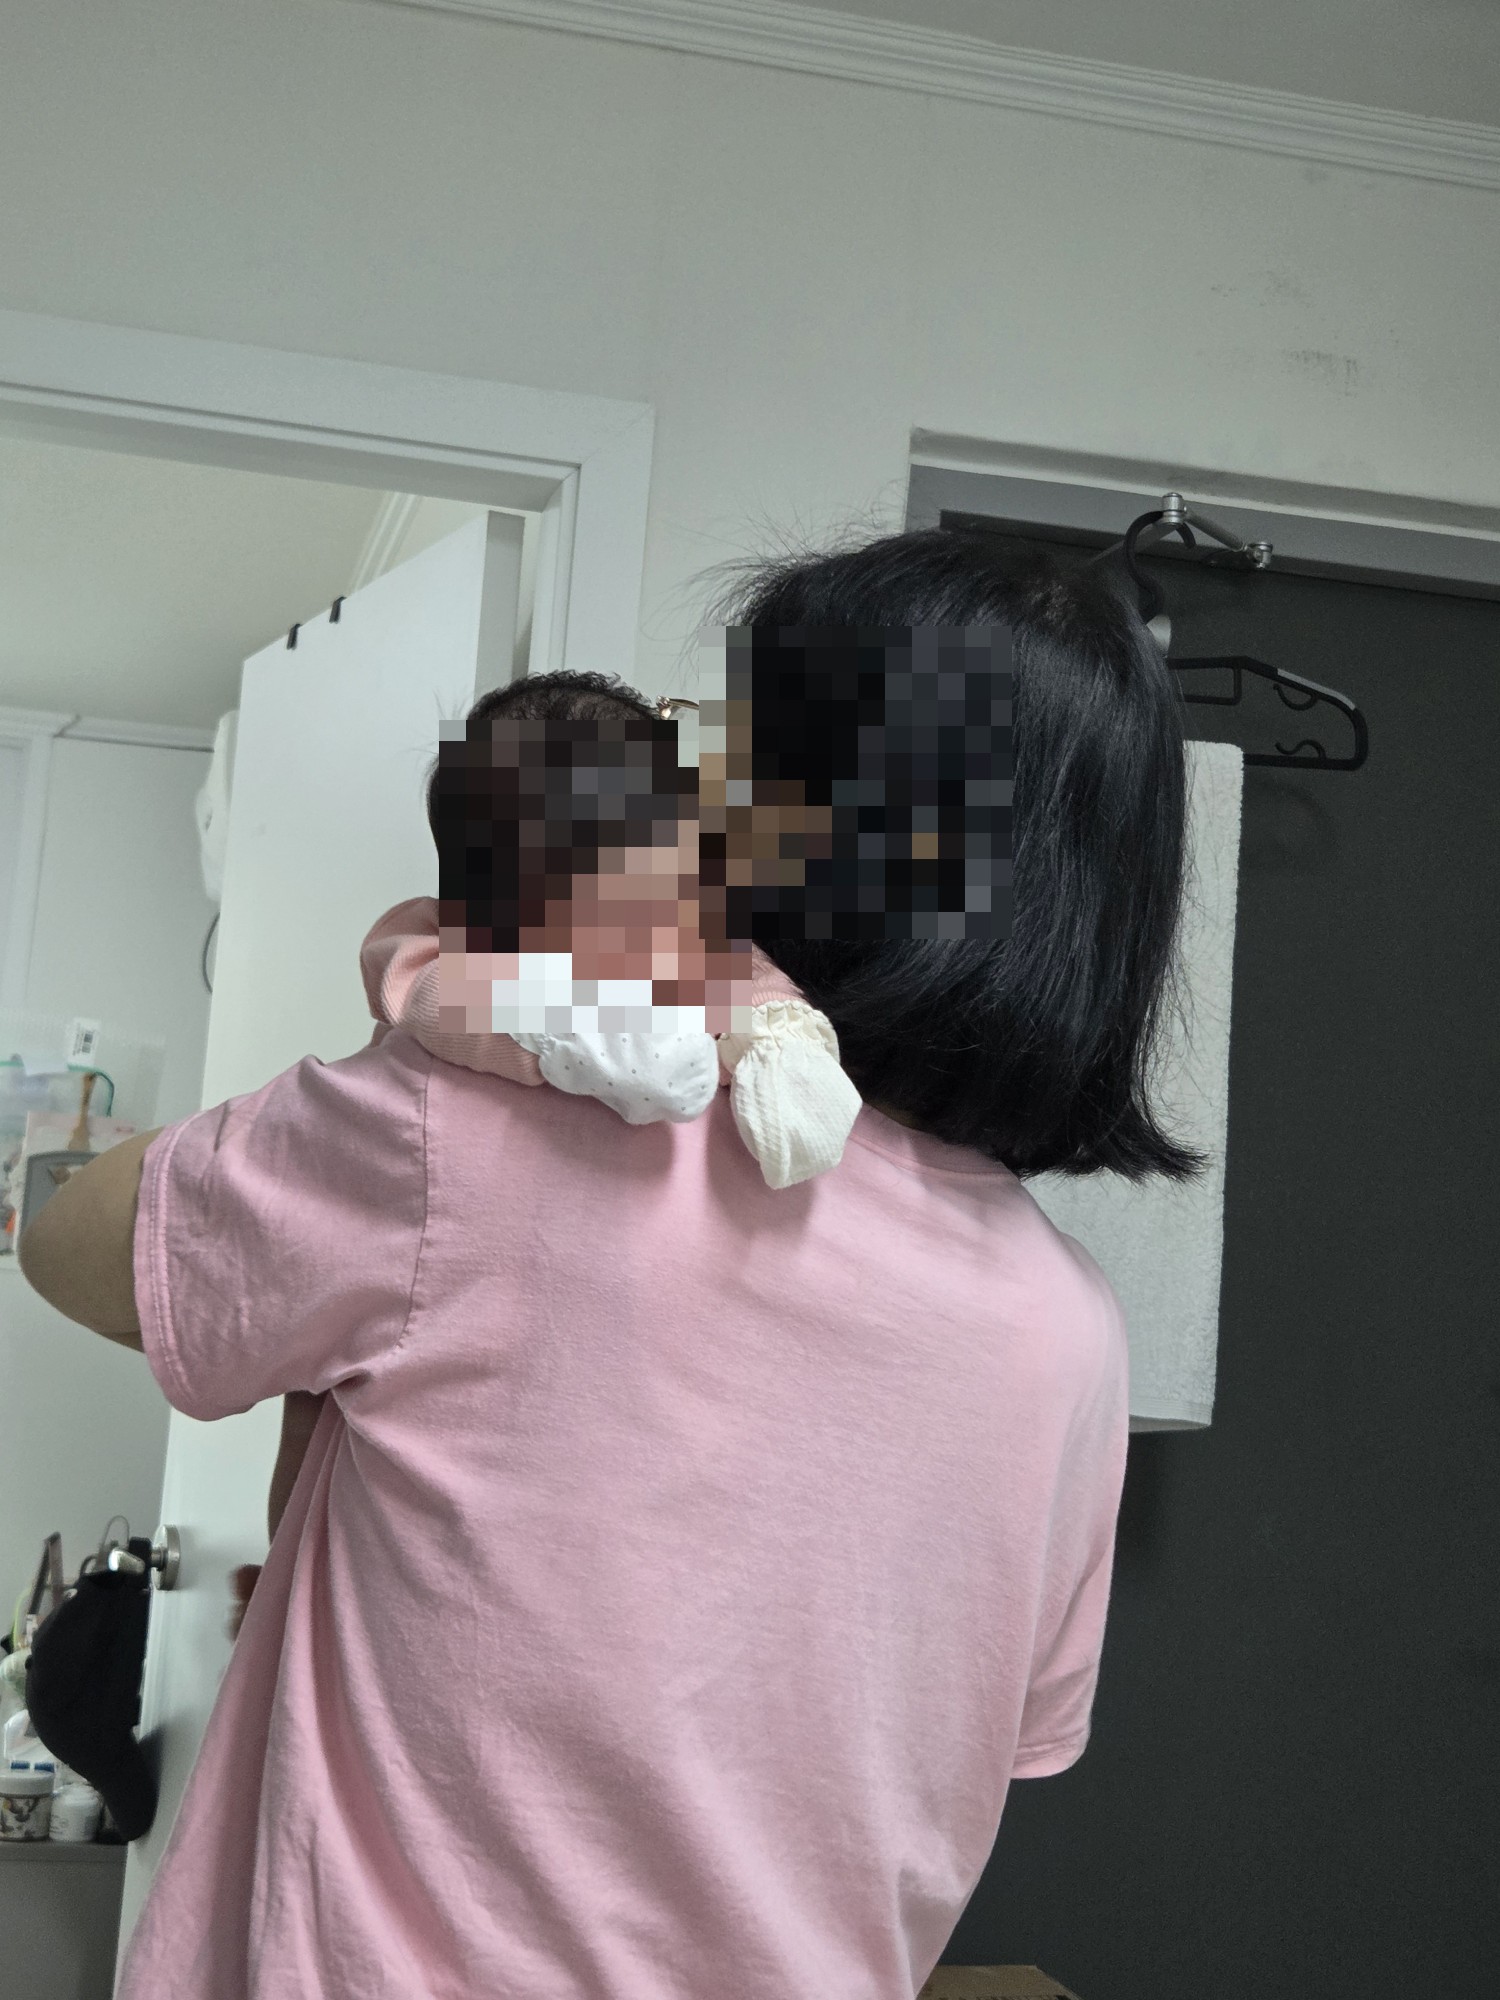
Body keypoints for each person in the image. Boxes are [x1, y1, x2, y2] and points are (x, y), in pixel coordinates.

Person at [22, 524, 1207, 2000]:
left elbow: (72, 1244)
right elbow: (970, 1752)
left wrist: (453, 1010)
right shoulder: (1072, 1336)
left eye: (736, 744)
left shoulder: (496, 1130)